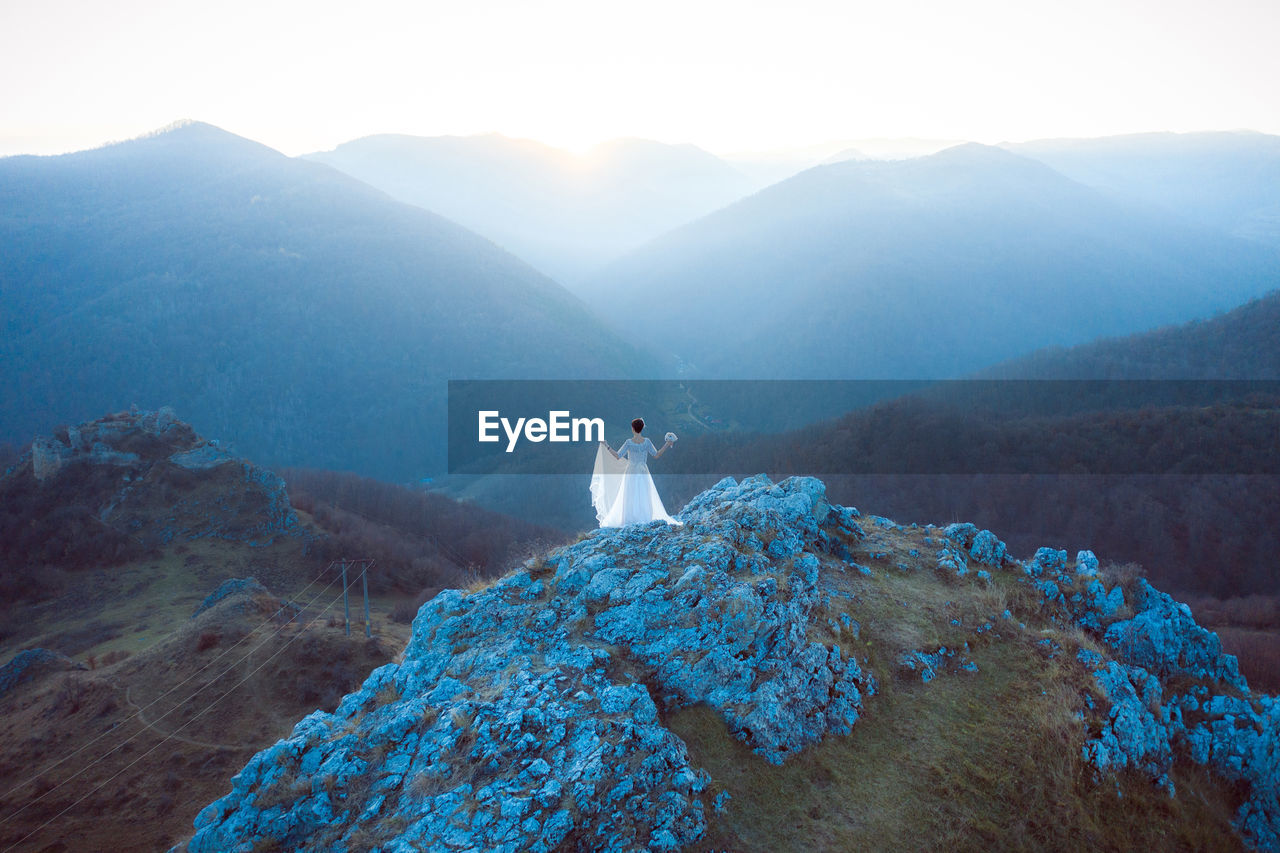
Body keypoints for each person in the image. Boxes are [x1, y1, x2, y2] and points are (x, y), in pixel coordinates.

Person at [591, 417, 681, 527]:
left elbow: (617, 456)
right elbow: (657, 455)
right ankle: (645, 517)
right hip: (643, 471)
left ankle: (628, 519)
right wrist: (667, 444)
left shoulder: (629, 442)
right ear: (642, 428)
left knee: (629, 495)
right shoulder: (647, 442)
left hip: (631, 471)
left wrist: (606, 445)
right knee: (644, 494)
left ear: (633, 428)